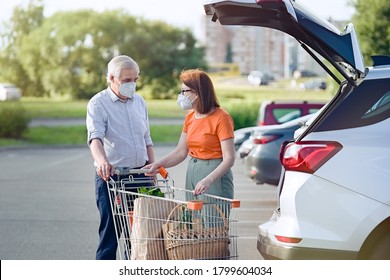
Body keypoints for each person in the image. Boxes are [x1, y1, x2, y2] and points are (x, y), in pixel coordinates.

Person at [86, 55, 154, 260]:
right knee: (111, 236)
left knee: (141, 236)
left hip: (140, 175)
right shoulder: (98, 103)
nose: (131, 84)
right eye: (126, 80)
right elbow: (95, 137)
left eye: (135, 80)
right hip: (112, 177)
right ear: (111, 78)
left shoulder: (139, 102)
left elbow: (147, 138)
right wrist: (102, 161)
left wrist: (152, 167)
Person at [145, 69, 235, 200]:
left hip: (214, 176)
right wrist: (158, 165)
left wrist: (208, 180)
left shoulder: (222, 117)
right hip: (193, 172)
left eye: (184, 91)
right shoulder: (191, 116)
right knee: (193, 219)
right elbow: (181, 152)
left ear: (198, 92)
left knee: (213, 219)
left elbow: (229, 158)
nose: (181, 95)